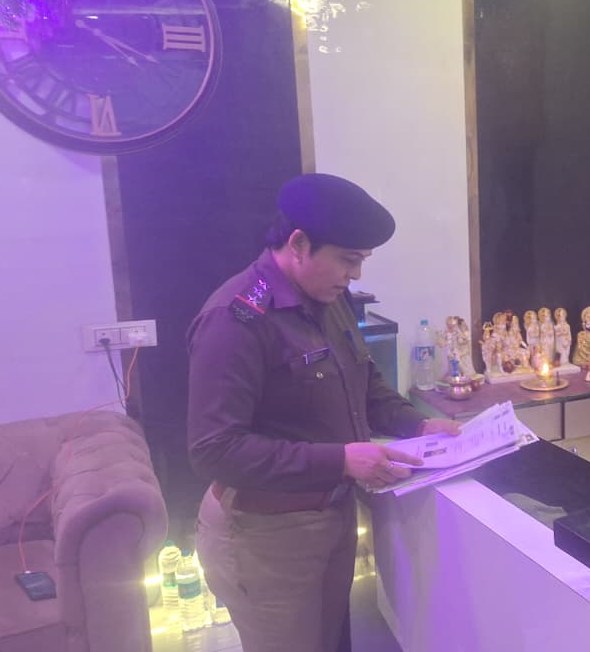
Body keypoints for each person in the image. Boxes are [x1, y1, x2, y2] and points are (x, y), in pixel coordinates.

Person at [188, 173, 461, 652]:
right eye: (348, 260)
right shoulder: (237, 318)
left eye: (361, 261)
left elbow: (365, 384)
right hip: (266, 536)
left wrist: (417, 423)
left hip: (332, 518)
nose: (355, 275)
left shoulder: (332, 301)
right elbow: (215, 449)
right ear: (298, 244)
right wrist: (342, 460)